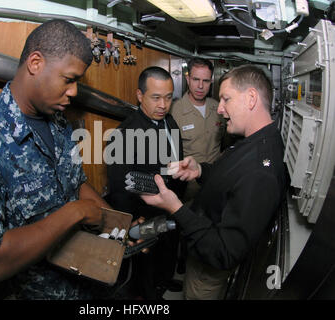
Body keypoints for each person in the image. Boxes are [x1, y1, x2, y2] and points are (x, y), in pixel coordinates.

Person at [0, 19, 113, 300]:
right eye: (69, 80)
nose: (73, 92)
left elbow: (76, 182)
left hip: (83, 286)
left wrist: (118, 225)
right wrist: (75, 212)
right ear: (35, 63)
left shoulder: (57, 121)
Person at [141, 65, 288, 300]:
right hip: (200, 246)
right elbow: (230, 179)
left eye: (226, 99)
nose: (220, 109)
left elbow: (223, 251)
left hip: (208, 267)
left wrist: (175, 208)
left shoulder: (262, 170)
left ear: (251, 98)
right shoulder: (252, 142)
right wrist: (200, 170)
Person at [106, 66, 186, 299]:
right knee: (145, 275)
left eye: (169, 97)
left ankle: (163, 283)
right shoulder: (123, 134)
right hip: (144, 217)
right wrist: (131, 224)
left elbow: (176, 161)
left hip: (171, 209)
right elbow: (119, 189)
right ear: (140, 96)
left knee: (166, 257)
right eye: (156, 97)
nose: (163, 105)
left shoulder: (170, 123)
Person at [171, 57, 225, 200]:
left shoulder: (219, 108)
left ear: (211, 82)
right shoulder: (174, 111)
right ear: (188, 79)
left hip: (216, 183)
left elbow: (226, 143)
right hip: (188, 189)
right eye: (196, 80)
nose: (200, 86)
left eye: (206, 81)